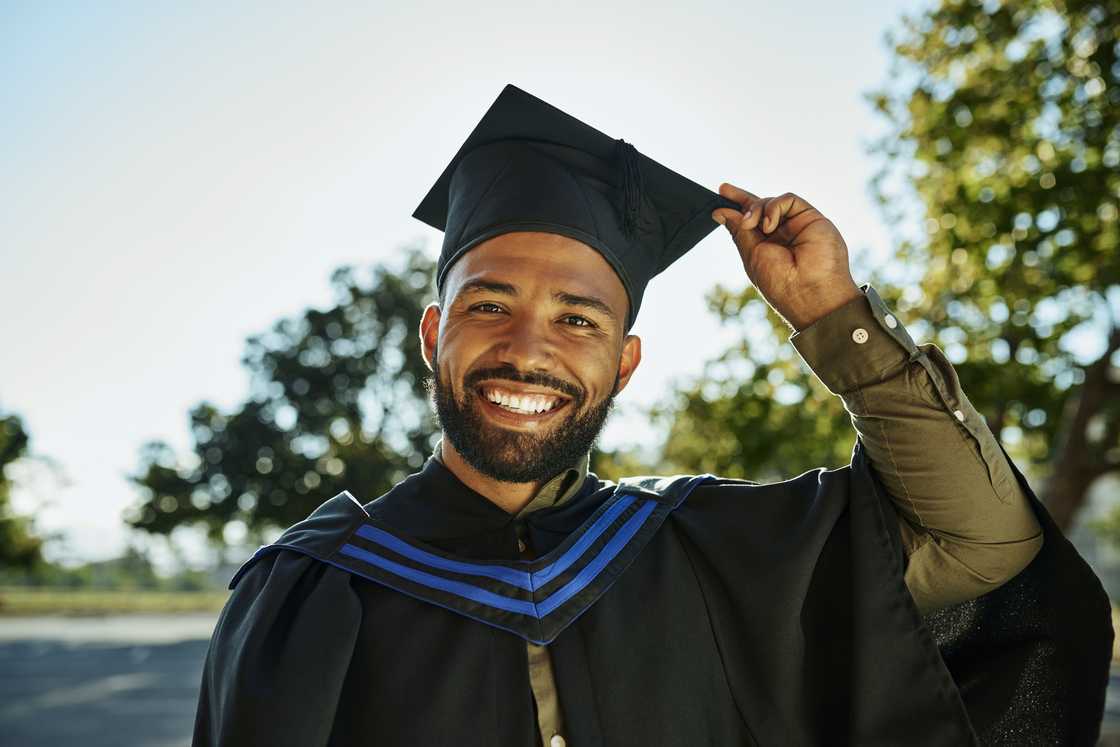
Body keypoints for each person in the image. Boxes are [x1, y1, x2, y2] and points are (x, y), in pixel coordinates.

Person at [192, 84, 1112, 746]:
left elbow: (986, 545)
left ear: (624, 362)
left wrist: (834, 319)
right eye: (487, 305)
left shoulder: (712, 549)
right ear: (434, 331)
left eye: (578, 319)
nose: (527, 347)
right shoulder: (311, 590)